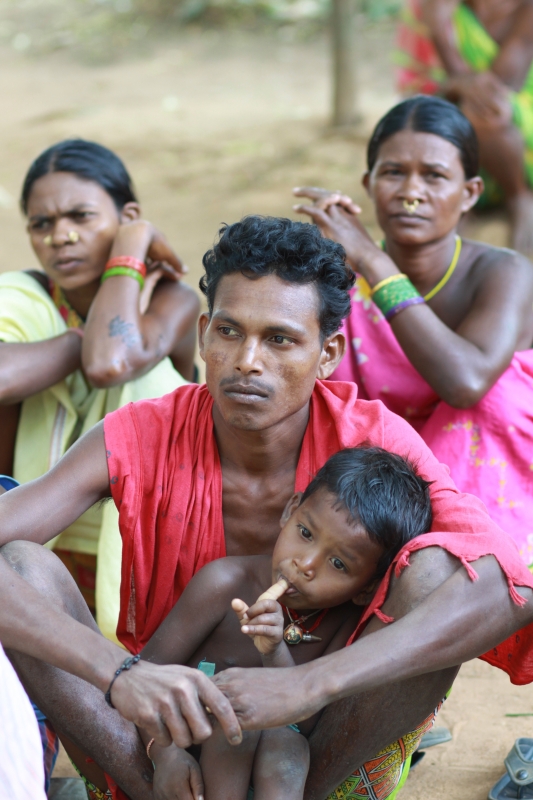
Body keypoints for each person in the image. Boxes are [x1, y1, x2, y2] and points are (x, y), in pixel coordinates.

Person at [1, 215, 533, 800]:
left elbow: (507, 585)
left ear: (328, 354)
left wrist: (309, 685)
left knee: (438, 573)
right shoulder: (139, 434)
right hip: (158, 732)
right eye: (229, 331)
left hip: (316, 743)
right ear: (203, 335)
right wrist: (120, 674)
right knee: (20, 564)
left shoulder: (372, 440)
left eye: (280, 339)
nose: (247, 360)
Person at [294, 95, 533, 565]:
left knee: (495, 393)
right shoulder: (341, 277)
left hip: (492, 487)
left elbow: (465, 382)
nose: (411, 193)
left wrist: (373, 259)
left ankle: (486, 560)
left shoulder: (503, 273)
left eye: (435, 176)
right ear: (368, 184)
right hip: (375, 480)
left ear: (470, 192)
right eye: (393, 173)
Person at [139, 446, 433, 800]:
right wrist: (165, 755)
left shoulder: (343, 624)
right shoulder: (223, 584)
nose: (305, 564)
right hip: (189, 750)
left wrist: (274, 651)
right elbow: (142, 676)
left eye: (338, 564)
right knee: (236, 724)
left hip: (272, 769)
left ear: (366, 589)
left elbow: (307, 722)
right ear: (291, 510)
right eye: (306, 533)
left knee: (288, 749)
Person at [0, 139, 200, 634]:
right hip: (29, 537)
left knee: (148, 374)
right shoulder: (24, 299)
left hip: (147, 552)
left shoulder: (171, 301)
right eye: (41, 224)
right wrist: (75, 342)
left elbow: (111, 363)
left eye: (80, 216)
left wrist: (132, 247)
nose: (60, 236)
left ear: (127, 217)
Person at [396, 0, 533, 254]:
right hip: (455, 118)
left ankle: (519, 196)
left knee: (483, 113)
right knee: (429, 119)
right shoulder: (425, 7)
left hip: (517, 125)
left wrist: (440, 37)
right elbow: (415, 92)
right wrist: (437, 25)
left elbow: (498, 86)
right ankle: (458, 199)